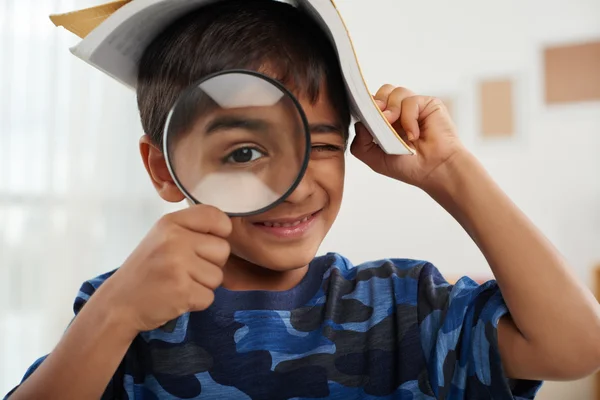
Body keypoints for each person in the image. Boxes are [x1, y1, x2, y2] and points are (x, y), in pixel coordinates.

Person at [7, 0, 600, 399]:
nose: (291, 186)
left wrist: (451, 171)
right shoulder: (123, 313)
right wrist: (114, 314)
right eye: (243, 153)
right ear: (165, 169)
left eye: (319, 145)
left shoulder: (402, 308)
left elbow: (575, 347)